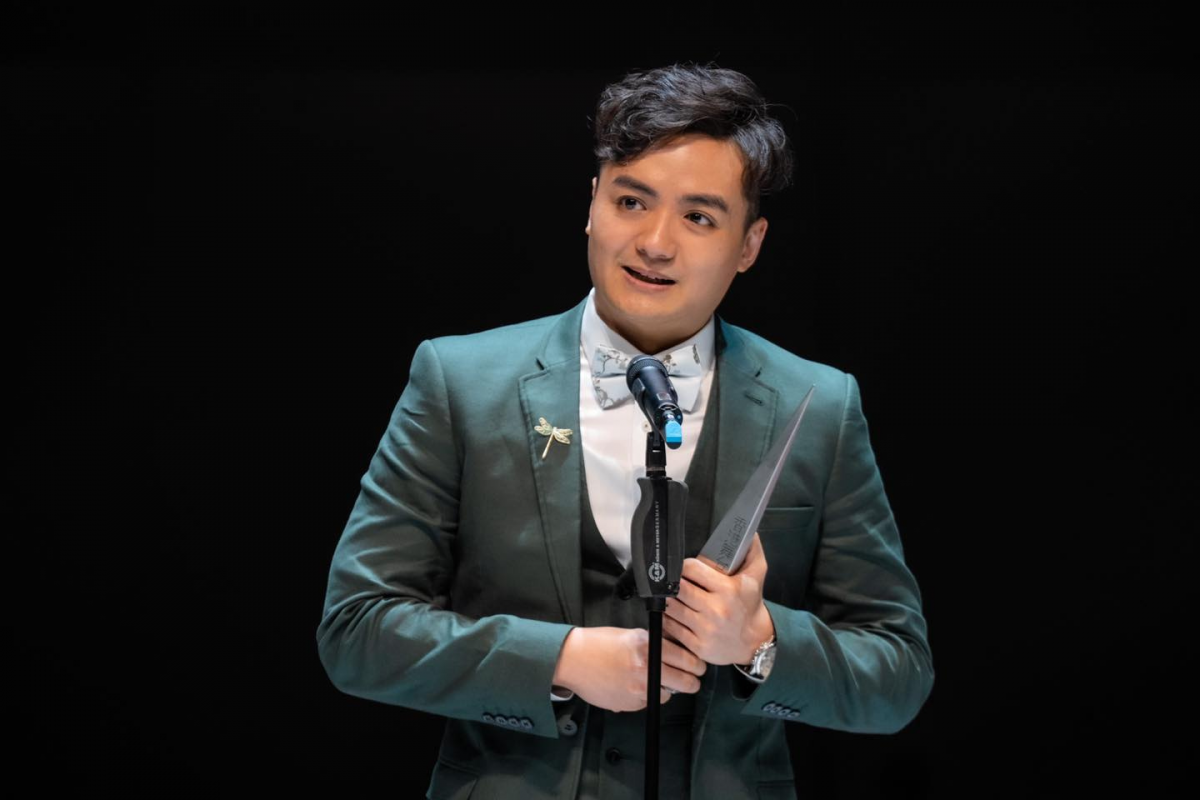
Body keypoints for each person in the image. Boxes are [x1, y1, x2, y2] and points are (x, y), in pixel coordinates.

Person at [316, 63, 933, 800]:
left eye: (699, 217)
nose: (655, 242)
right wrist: (562, 660)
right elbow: (357, 632)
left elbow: (898, 676)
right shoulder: (459, 381)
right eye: (631, 201)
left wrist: (760, 642)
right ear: (592, 204)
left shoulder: (820, 406)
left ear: (749, 245)